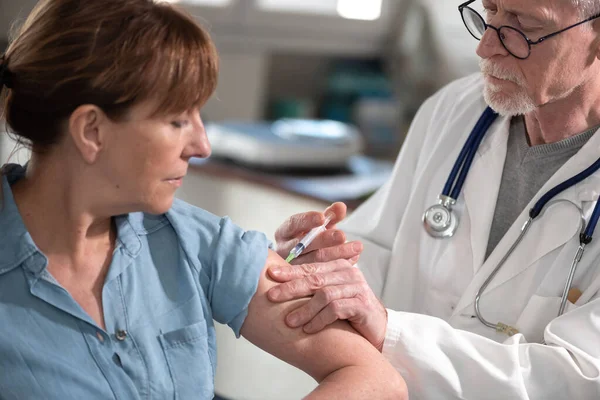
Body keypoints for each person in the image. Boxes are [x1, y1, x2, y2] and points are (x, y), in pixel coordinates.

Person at [0, 1, 408, 399]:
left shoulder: (196, 241)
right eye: (177, 120)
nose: (202, 145)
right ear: (91, 131)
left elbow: (376, 380)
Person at [268, 0, 600, 398]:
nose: (486, 46)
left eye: (523, 27)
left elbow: (579, 378)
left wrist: (393, 332)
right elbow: (378, 251)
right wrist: (320, 261)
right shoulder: (453, 110)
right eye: (489, 12)